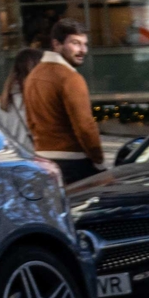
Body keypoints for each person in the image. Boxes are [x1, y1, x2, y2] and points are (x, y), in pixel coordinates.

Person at [22, 18, 106, 183]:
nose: (83, 50)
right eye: (75, 43)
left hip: (43, 160)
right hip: (74, 162)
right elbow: (85, 126)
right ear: (56, 44)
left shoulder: (33, 76)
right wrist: (100, 161)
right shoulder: (70, 78)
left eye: (85, 44)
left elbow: (31, 122)